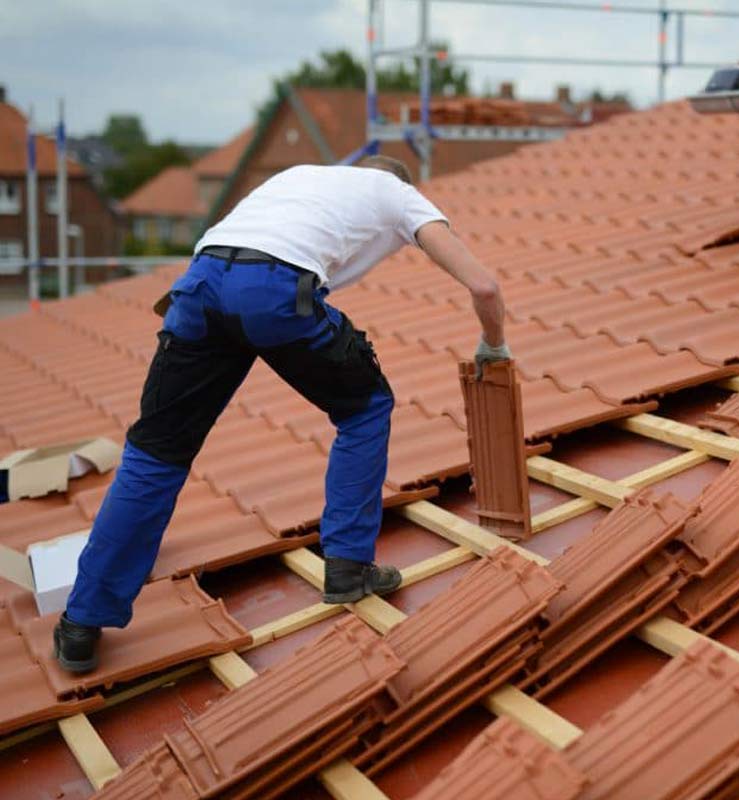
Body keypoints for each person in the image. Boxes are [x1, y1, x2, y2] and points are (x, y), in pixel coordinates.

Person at [53, 155, 510, 673]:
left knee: (155, 453)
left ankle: (80, 624)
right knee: (366, 407)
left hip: (198, 284)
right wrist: (493, 346)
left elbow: (237, 253)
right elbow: (484, 286)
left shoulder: (300, 179)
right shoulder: (397, 194)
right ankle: (348, 568)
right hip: (270, 291)